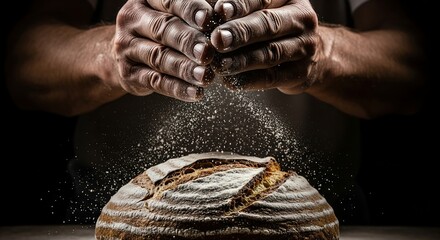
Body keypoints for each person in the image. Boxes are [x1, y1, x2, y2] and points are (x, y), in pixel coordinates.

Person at [5, 0, 426, 225]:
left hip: (315, 221)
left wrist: (323, 53)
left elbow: (415, 70)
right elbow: (23, 65)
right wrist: (109, 56)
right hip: (118, 223)